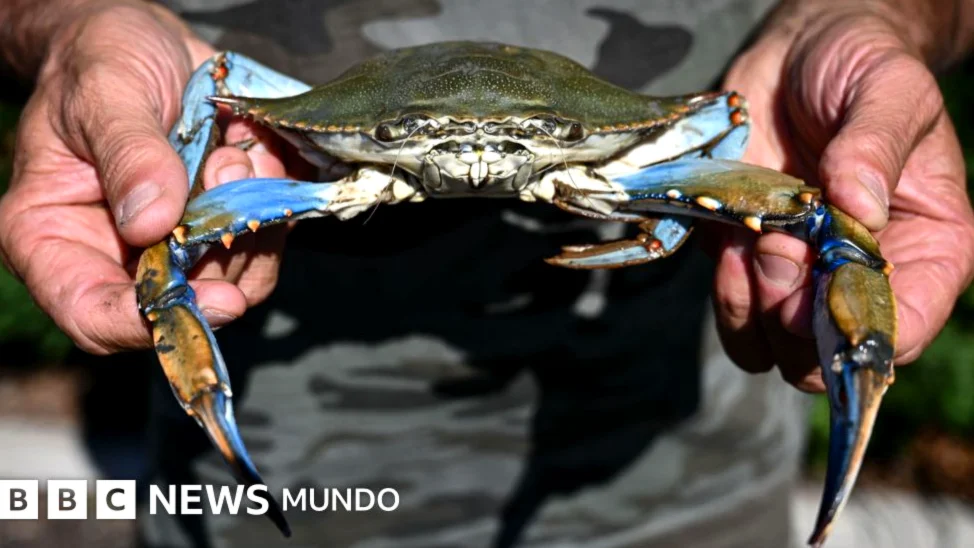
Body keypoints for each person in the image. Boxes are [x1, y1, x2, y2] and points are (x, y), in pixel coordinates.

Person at [1, 0, 972, 546]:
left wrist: (881, 12)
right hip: (253, 501)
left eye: (522, 145)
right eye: (414, 142)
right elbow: (194, 97)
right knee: (169, 254)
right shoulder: (273, 123)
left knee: (825, 217)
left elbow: (726, 125)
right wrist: (69, 24)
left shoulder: (673, 131)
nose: (472, 159)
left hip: (683, 485)